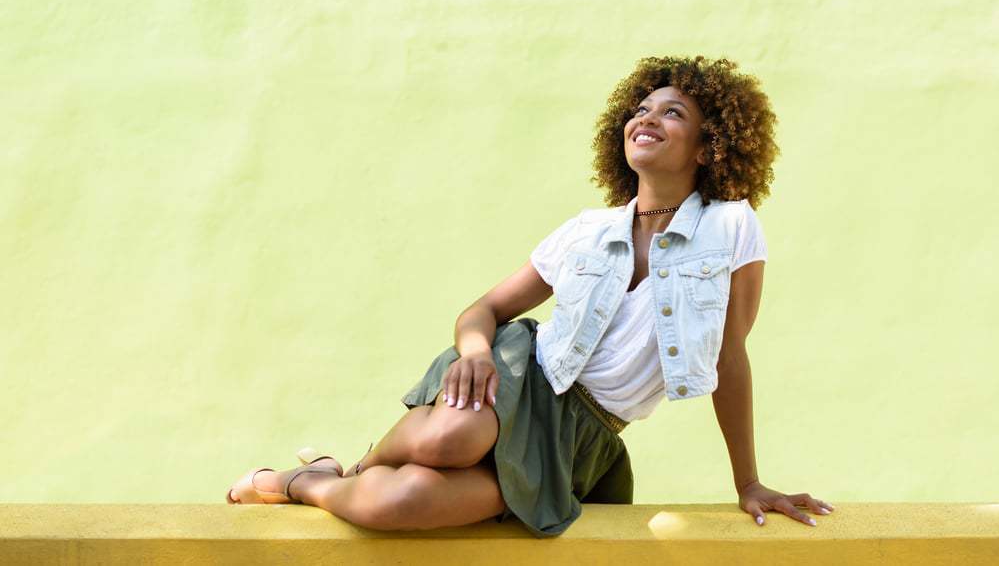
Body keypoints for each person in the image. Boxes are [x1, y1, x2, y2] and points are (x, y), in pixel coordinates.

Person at [224, 54, 836, 536]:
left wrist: (748, 483)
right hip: (521, 376)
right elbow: (483, 311)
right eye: (641, 108)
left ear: (709, 146)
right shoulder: (586, 231)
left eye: (672, 113)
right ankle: (356, 468)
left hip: (582, 433)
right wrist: (477, 353)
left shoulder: (731, 225)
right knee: (450, 438)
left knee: (403, 502)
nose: (646, 118)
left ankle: (308, 482)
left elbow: (730, 355)